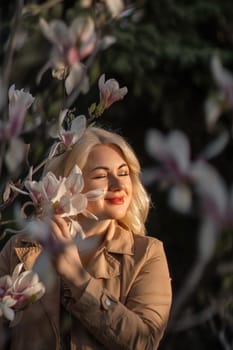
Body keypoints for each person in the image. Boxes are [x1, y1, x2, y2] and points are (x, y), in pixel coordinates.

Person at [0, 126, 172, 350]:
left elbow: (145, 342)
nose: (119, 185)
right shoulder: (22, 247)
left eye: (123, 173)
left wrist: (77, 278)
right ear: (69, 186)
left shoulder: (146, 254)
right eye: (101, 175)